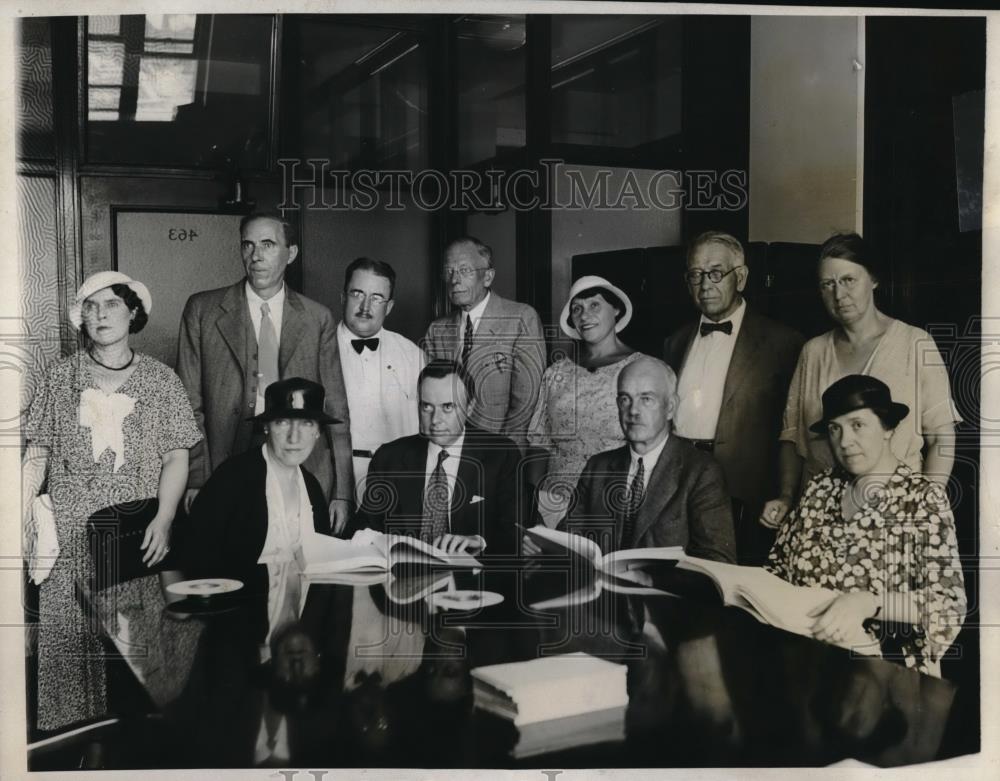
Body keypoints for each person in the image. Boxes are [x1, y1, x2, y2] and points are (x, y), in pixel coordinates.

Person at [21, 271, 201, 730]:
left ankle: (135, 745)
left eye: (112, 305)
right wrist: (20, 517)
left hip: (133, 535)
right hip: (70, 536)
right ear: (80, 319)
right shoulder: (59, 378)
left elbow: (177, 458)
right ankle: (74, 745)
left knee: (135, 643)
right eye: (91, 307)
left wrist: (163, 520)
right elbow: (36, 455)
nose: (100, 315)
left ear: (134, 313)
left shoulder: (162, 381)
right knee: (69, 644)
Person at [766, 375, 966, 677]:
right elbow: (778, 569)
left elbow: (948, 606)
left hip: (885, 675)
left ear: (887, 428)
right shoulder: (820, 489)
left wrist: (869, 603)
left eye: (858, 425)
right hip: (806, 662)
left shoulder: (922, 499)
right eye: (835, 428)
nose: (845, 441)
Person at [761, 232, 960, 530]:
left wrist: (925, 506)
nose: (839, 295)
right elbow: (792, 439)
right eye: (828, 285)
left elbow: (941, 438)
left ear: (874, 279)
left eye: (848, 280)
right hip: (821, 512)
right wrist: (787, 497)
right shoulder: (813, 352)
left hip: (896, 511)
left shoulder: (915, 343)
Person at [176, 211, 354, 531]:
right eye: (248, 245)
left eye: (268, 244)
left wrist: (342, 492)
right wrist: (197, 477)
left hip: (302, 463)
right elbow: (188, 405)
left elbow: (335, 408)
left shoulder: (318, 318)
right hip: (225, 459)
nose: (256, 256)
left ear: (292, 253)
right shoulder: (202, 310)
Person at [664, 232, 804, 563]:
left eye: (715, 273)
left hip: (745, 492)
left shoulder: (783, 343)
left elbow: (793, 428)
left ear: (740, 277)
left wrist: (785, 494)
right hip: (680, 485)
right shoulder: (674, 341)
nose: (704, 284)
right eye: (695, 275)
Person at [526, 356, 736, 562]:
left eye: (646, 399)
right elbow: (570, 541)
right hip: (601, 593)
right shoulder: (597, 466)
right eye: (625, 399)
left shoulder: (701, 471)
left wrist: (652, 580)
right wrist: (543, 547)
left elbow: (718, 560)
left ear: (670, 407)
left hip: (665, 595)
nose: (633, 411)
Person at [186, 377, 336, 644]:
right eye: (282, 422)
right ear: (266, 426)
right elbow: (197, 558)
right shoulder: (232, 477)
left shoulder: (311, 487)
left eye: (306, 424)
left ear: (318, 431)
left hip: (300, 627)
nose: (294, 437)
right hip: (240, 633)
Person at [351, 360, 521, 557]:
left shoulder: (502, 455)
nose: (435, 420)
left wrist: (479, 540)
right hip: (403, 576)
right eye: (427, 407)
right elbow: (365, 525)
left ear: (470, 407)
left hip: (474, 578)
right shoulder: (389, 458)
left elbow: (516, 526)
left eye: (448, 407)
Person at [526, 275, 640, 526]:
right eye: (577, 308)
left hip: (613, 505)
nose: (584, 315)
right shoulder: (556, 372)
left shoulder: (642, 369)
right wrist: (532, 504)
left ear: (617, 310)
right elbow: (539, 443)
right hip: (553, 503)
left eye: (594, 305)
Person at [422, 236, 546, 452]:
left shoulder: (521, 318)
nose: (454, 280)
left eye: (464, 270)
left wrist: (506, 455)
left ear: (487, 277)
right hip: (447, 453)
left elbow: (526, 403)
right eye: (449, 271)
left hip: (498, 452)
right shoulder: (437, 330)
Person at [336, 257, 424, 502]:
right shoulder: (319, 350)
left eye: (376, 298)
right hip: (337, 485)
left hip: (399, 483)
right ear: (343, 297)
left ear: (390, 306)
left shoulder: (413, 356)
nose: (365, 306)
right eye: (357, 293)